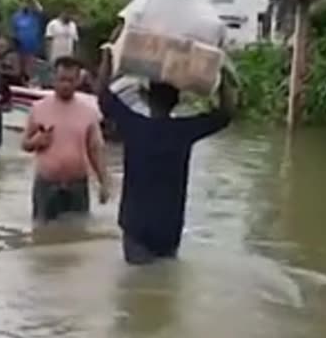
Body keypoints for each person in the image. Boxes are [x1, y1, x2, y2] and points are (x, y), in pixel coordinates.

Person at [96, 46, 234, 265]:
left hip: (136, 225)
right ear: (177, 101)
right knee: (164, 284)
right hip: (169, 227)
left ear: (146, 96)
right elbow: (225, 114)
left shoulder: (134, 126)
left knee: (138, 287)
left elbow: (103, 95)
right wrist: (222, 74)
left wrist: (108, 55)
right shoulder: (183, 132)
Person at [22, 57, 111, 223]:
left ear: (78, 81)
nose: (65, 85)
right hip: (46, 185)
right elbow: (25, 144)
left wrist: (104, 183)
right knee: (43, 233)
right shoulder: (39, 108)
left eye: (70, 80)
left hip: (77, 186)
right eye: (61, 79)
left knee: (77, 235)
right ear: (53, 78)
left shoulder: (88, 112)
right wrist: (37, 141)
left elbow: (96, 150)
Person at [10, 0, 45, 79]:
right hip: (19, 47)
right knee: (18, 70)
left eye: (27, 2)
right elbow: (13, 31)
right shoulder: (16, 17)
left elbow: (41, 9)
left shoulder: (34, 15)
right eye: (23, 2)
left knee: (30, 71)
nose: (25, 4)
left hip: (32, 47)